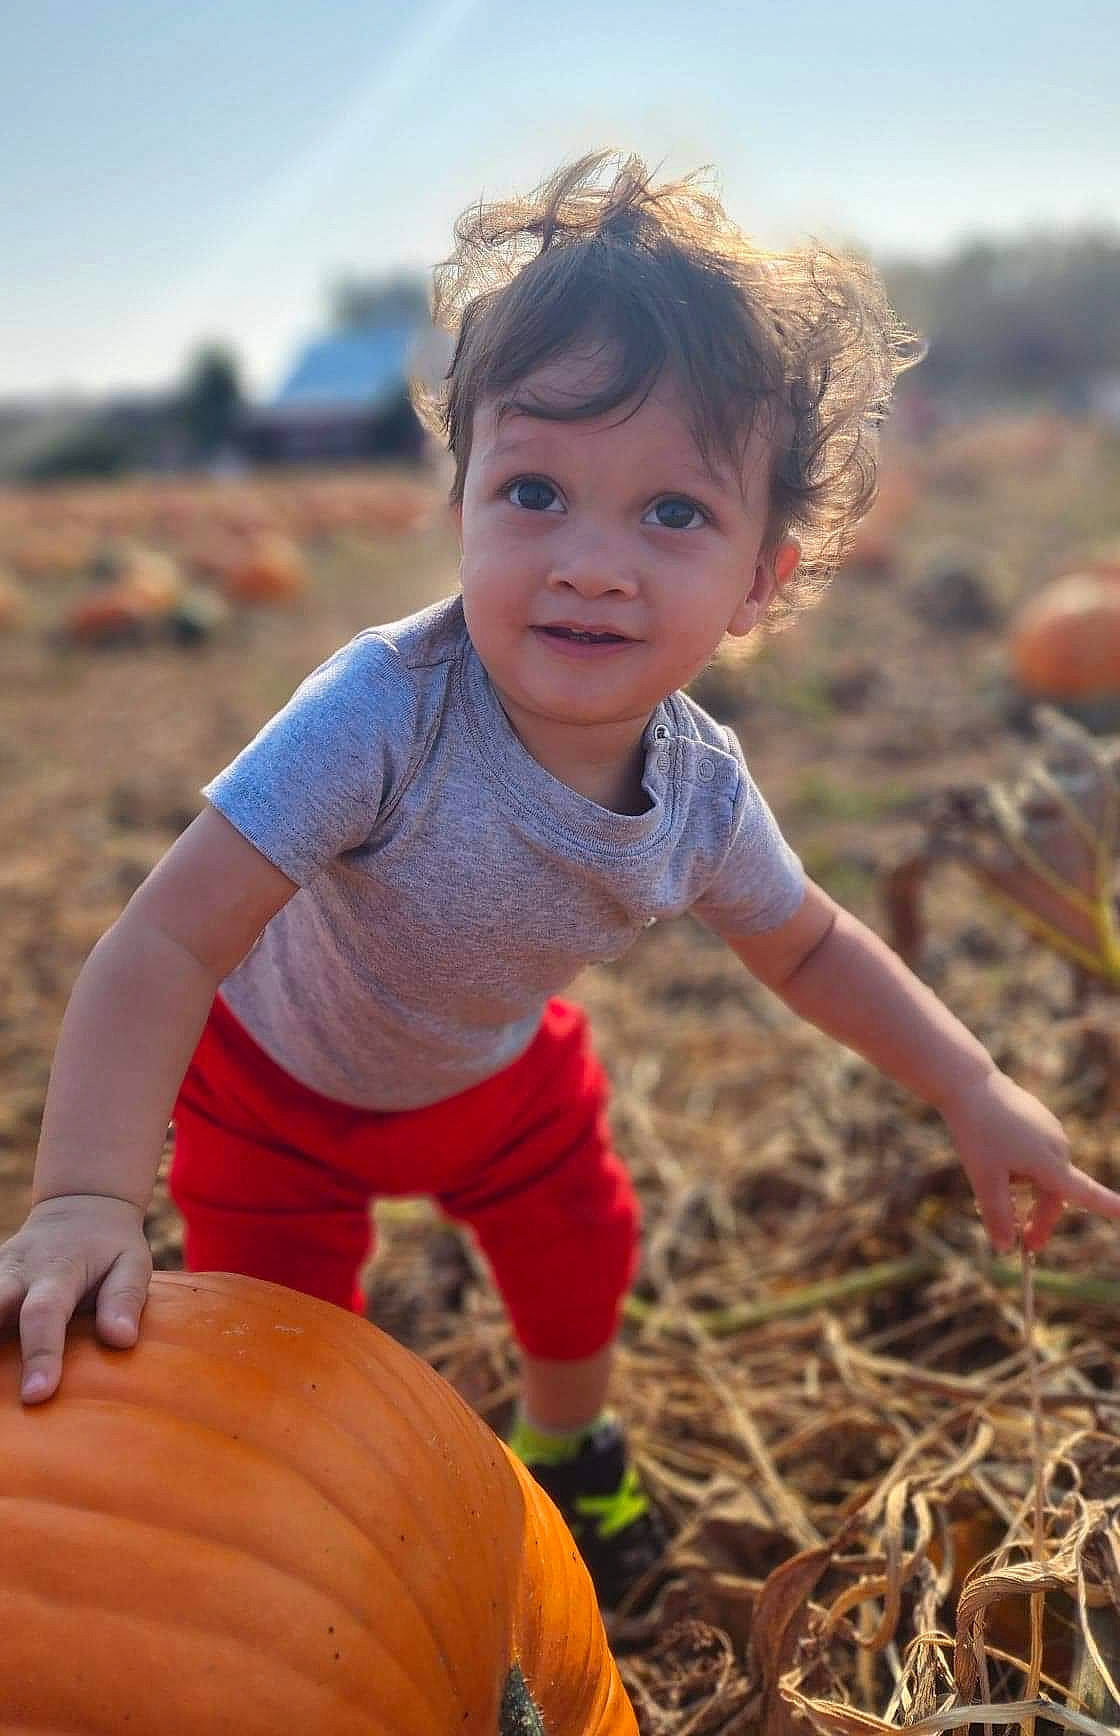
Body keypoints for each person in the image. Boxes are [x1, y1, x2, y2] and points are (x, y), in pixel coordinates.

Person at [3, 151, 1119, 1612]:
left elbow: (812, 945)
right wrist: (88, 1191)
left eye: (672, 516)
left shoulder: (701, 788)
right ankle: (289, 1537)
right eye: (535, 491)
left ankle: (571, 1446)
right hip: (275, 1092)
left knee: (586, 1247)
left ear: (764, 582)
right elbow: (161, 944)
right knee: (271, 1349)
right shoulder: (378, 713)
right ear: (461, 501)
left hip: (498, 1082)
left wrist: (972, 1085)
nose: (593, 563)